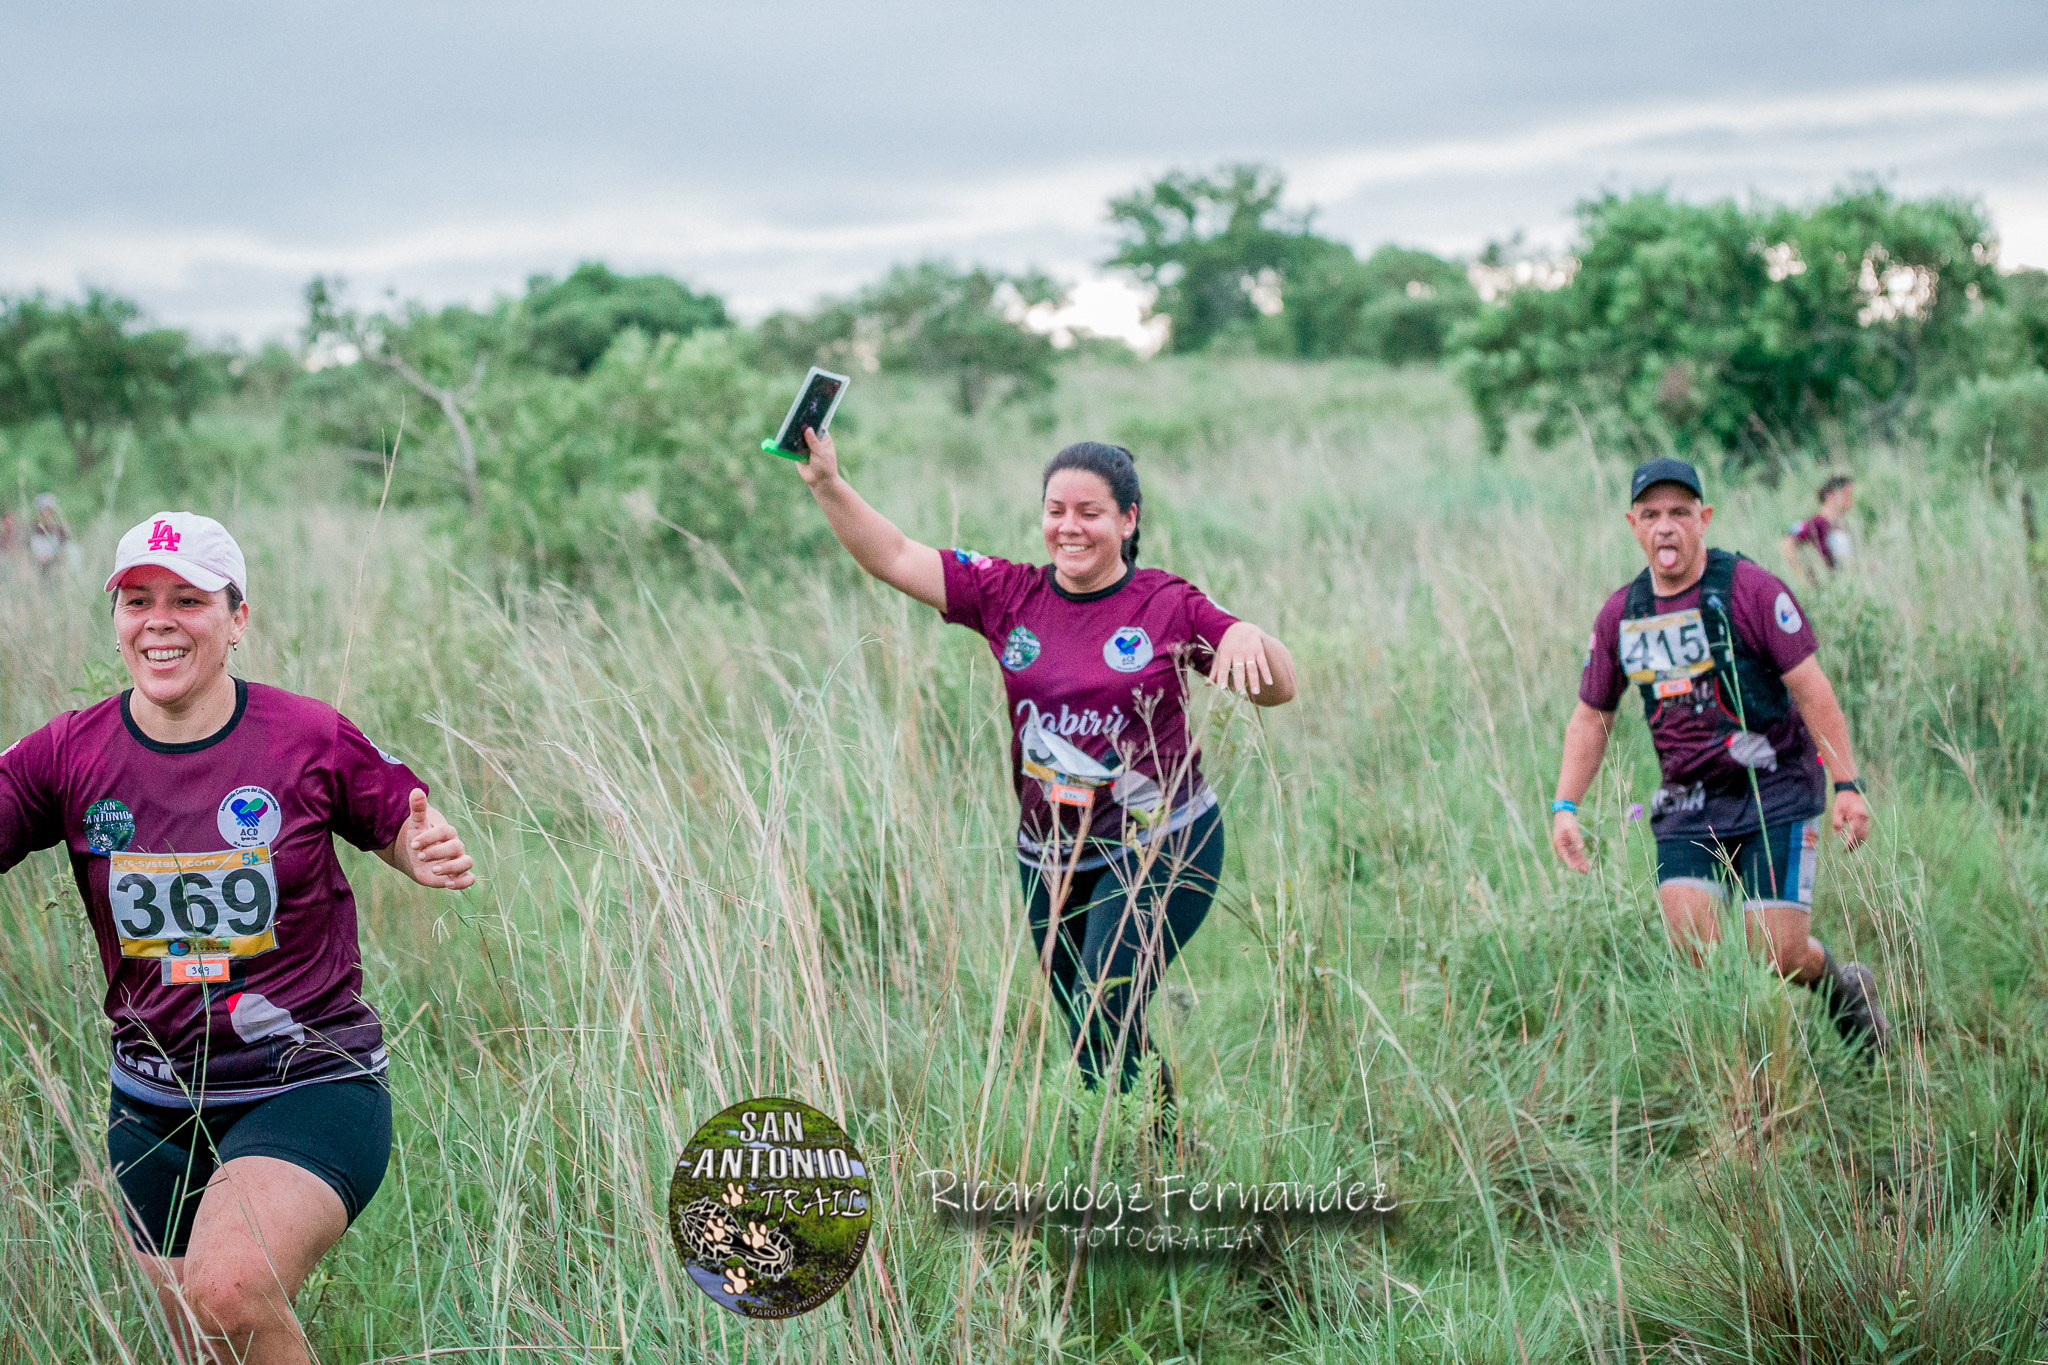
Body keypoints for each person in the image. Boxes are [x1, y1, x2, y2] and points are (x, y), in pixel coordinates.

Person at [0, 511, 476, 1364]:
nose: (160, 620)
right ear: (115, 616)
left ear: (237, 617)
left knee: (226, 1290)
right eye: (138, 599)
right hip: (151, 1098)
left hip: (310, 1076)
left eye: (188, 599)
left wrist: (421, 846)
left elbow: (396, 818)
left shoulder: (306, 736)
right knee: (193, 1335)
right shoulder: (72, 752)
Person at [788, 428, 1296, 1113]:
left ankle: (1135, 1171)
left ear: (1128, 519)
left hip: (1162, 842)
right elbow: (898, 554)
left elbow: (1278, 686)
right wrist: (827, 483)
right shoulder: (1007, 593)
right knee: (1087, 1024)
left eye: (1090, 511)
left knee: (1101, 999)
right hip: (1050, 856)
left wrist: (1244, 634)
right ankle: (1158, 1149)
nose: (1070, 526)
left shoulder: (1167, 603)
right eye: (1056, 509)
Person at [1550, 459, 1888, 1056]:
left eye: (1680, 513)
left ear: (1703, 518)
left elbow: (1812, 689)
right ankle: (1745, 1086)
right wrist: (1565, 806)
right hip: (1689, 803)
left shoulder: (1752, 592)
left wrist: (1848, 784)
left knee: (1779, 954)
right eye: (1651, 515)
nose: (1666, 528)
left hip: (1776, 789)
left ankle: (1843, 987)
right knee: (1696, 951)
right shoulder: (1623, 615)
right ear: (1633, 525)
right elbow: (1591, 715)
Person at [1781, 474, 1855, 586]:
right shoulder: (1817, 522)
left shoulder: (1841, 524)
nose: (1850, 498)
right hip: (1826, 587)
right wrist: (1803, 579)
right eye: (1845, 494)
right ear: (1830, 495)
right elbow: (1788, 543)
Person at [29, 491, 78, 582]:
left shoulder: (57, 527)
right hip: (41, 564)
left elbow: (65, 545)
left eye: (48, 509)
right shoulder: (35, 526)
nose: (46, 512)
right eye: (44, 509)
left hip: (56, 563)